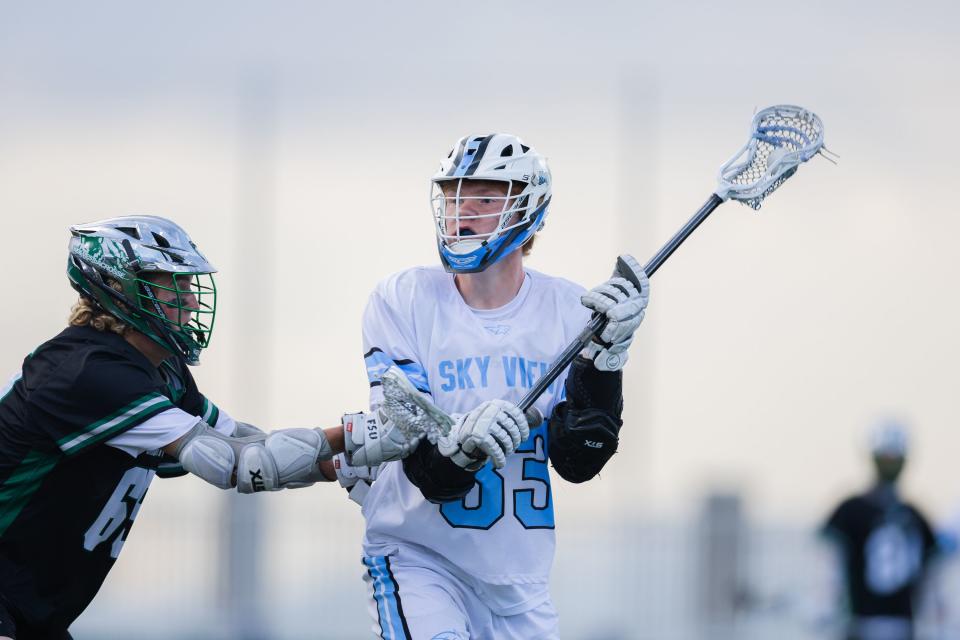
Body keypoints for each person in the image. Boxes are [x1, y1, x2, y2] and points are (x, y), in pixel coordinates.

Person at [0, 215, 430, 640]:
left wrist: (350, 459)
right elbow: (237, 464)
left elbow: (248, 445)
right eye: (172, 283)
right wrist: (358, 435)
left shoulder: (160, 371)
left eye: (188, 284)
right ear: (116, 285)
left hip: (33, 614)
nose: (189, 299)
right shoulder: (85, 373)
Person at [334, 134, 650, 639]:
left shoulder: (572, 310)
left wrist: (606, 358)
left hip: (519, 581)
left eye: (484, 198)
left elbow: (578, 461)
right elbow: (426, 468)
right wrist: (462, 442)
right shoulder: (404, 300)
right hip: (420, 558)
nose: (463, 211)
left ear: (529, 209)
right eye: (455, 196)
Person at [821, 420, 940, 640]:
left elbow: (931, 577)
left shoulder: (914, 515)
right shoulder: (854, 511)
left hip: (895, 626)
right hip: (865, 625)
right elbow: (829, 568)